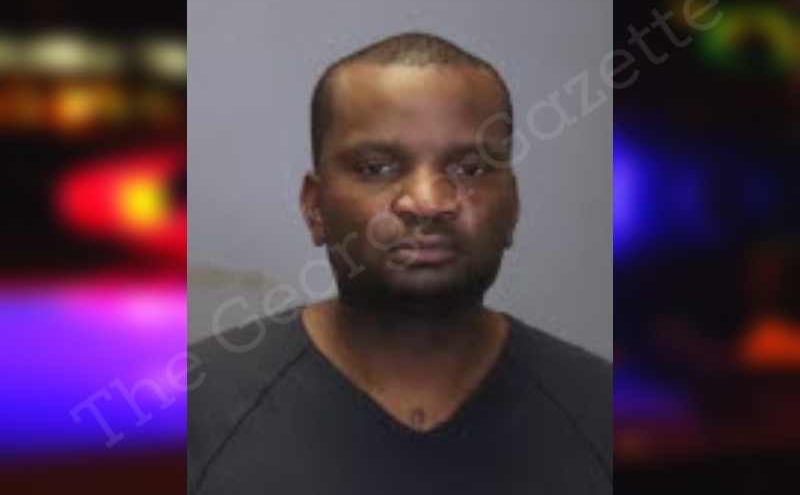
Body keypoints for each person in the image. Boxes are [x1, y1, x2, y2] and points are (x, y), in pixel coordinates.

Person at [187, 32, 611, 495]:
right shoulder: (191, 412)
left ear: (512, 206)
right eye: (377, 168)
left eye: (469, 169)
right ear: (314, 207)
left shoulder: (606, 413)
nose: (427, 202)